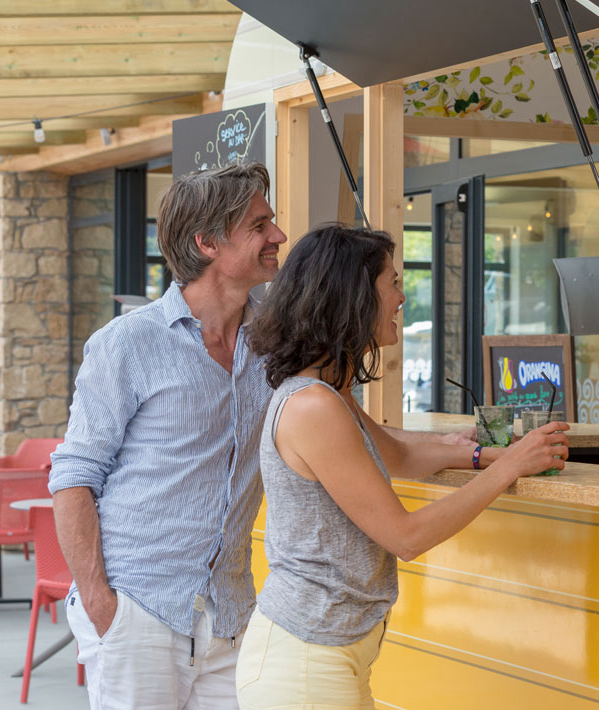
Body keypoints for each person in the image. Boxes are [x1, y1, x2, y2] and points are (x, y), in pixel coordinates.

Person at [236, 224, 569, 709]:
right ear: (353, 296)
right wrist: (508, 468)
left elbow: (398, 455)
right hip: (305, 663)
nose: (402, 297)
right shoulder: (314, 406)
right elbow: (406, 536)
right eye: (392, 282)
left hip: (325, 653)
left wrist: (486, 454)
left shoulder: (329, 393)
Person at [48, 163, 285, 708]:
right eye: (259, 225)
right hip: (139, 611)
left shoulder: (277, 339)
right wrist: (102, 604)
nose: (277, 235)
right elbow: (74, 477)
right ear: (207, 243)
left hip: (229, 614)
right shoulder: (127, 344)